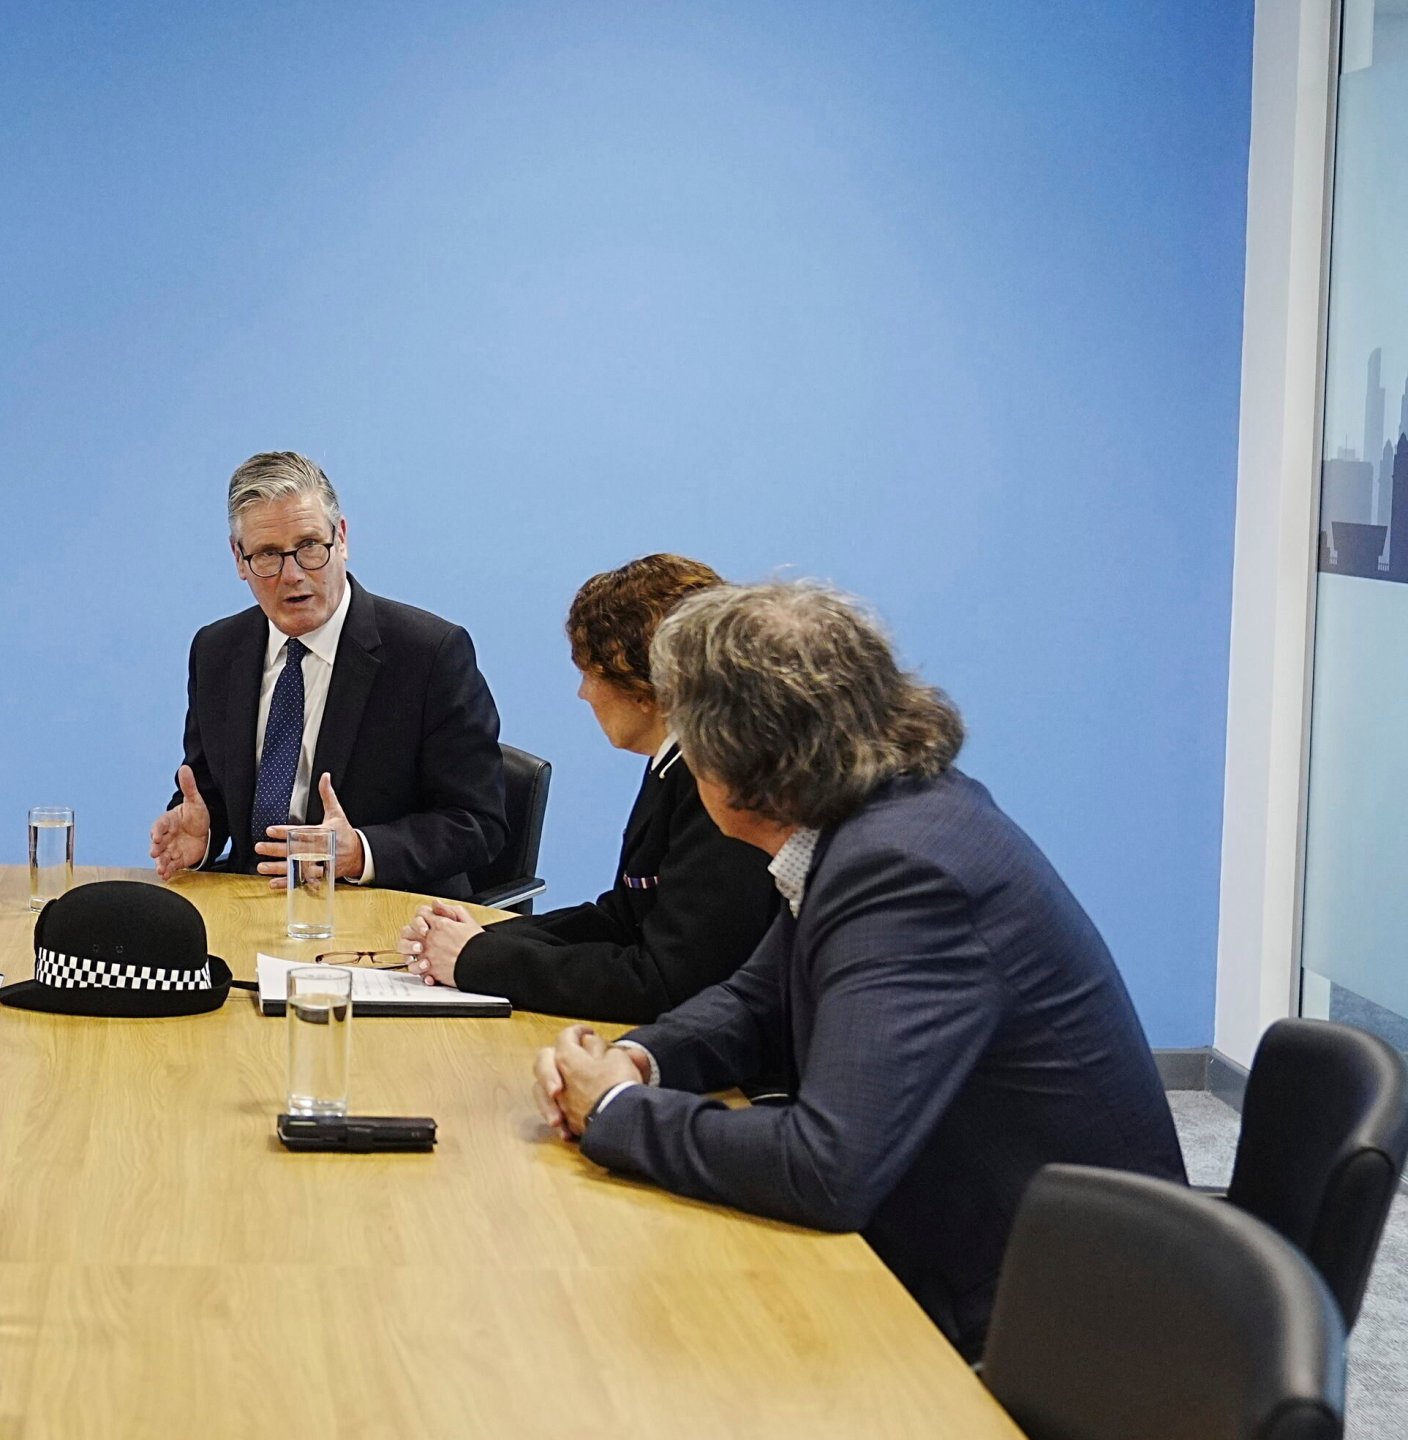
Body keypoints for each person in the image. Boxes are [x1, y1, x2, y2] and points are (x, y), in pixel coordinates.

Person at [531, 580, 1183, 1357]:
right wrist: (642, 1058)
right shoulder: (880, 818)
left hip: (1057, 1320)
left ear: (733, 759)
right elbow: (755, 999)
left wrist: (615, 1114)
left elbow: (826, 1168)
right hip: (992, 1245)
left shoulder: (905, 871)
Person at [395, 555, 781, 1021]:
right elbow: (624, 917)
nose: (585, 694)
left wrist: (477, 960)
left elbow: (663, 982)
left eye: (589, 673)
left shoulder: (721, 789)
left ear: (641, 684)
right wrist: (485, 935)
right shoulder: (674, 760)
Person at [149, 451, 505, 896]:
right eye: (267, 555)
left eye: (310, 547)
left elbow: (477, 822)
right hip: (250, 905)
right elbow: (209, 793)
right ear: (239, 560)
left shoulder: (430, 654)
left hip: (384, 915)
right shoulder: (216, 650)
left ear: (341, 538)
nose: (293, 574)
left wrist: (360, 850)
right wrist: (203, 836)